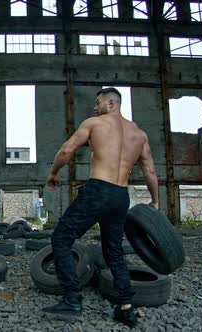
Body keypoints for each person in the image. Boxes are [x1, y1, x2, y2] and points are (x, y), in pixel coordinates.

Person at [42, 87, 159, 328]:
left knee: (61, 239)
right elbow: (150, 170)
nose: (95, 108)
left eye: (99, 103)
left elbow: (67, 150)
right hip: (120, 196)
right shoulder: (139, 134)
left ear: (112, 103)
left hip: (98, 190)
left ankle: (72, 300)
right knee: (113, 251)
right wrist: (155, 200)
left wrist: (53, 173)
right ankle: (126, 307)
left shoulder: (95, 124)